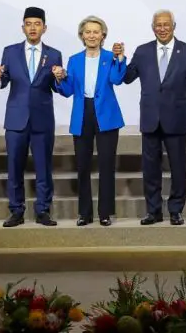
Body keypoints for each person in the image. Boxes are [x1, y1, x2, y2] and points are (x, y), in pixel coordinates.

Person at [121, 9, 186, 225]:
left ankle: (176, 210)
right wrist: (120, 59)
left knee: (178, 167)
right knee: (150, 169)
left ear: (174, 26)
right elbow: (128, 77)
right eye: (158, 25)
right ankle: (154, 210)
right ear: (153, 28)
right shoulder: (142, 51)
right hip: (150, 119)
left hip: (176, 119)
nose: (162, 29)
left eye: (166, 25)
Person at [0, 7, 64, 227]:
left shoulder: (53, 54)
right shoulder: (10, 51)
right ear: (23, 27)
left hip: (42, 119)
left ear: (44, 27)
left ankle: (43, 210)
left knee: (44, 167)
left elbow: (57, 86)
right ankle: (16, 210)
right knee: (14, 167)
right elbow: (3, 81)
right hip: (16, 119)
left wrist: (61, 78)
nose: (33, 28)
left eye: (37, 24)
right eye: (28, 24)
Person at [55, 16, 128, 226]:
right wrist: (60, 78)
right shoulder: (74, 59)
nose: (92, 35)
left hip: (106, 115)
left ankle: (105, 213)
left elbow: (116, 79)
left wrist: (120, 58)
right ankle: (84, 213)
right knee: (83, 166)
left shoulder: (110, 57)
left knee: (106, 165)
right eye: (88, 32)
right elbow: (68, 91)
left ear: (103, 35)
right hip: (82, 113)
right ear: (82, 35)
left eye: (96, 32)